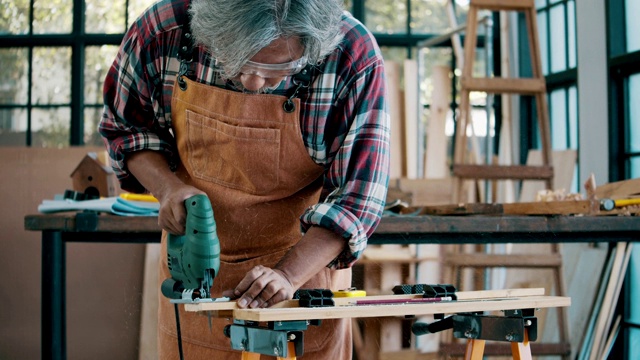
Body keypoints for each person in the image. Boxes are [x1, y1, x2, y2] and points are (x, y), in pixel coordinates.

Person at [99, 0, 390, 358]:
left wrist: (287, 275)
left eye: (277, 69)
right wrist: (167, 188)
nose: (253, 83)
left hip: (300, 280)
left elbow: (357, 199)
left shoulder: (351, 56)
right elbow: (126, 128)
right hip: (195, 277)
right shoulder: (165, 29)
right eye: (234, 60)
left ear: (312, 46)